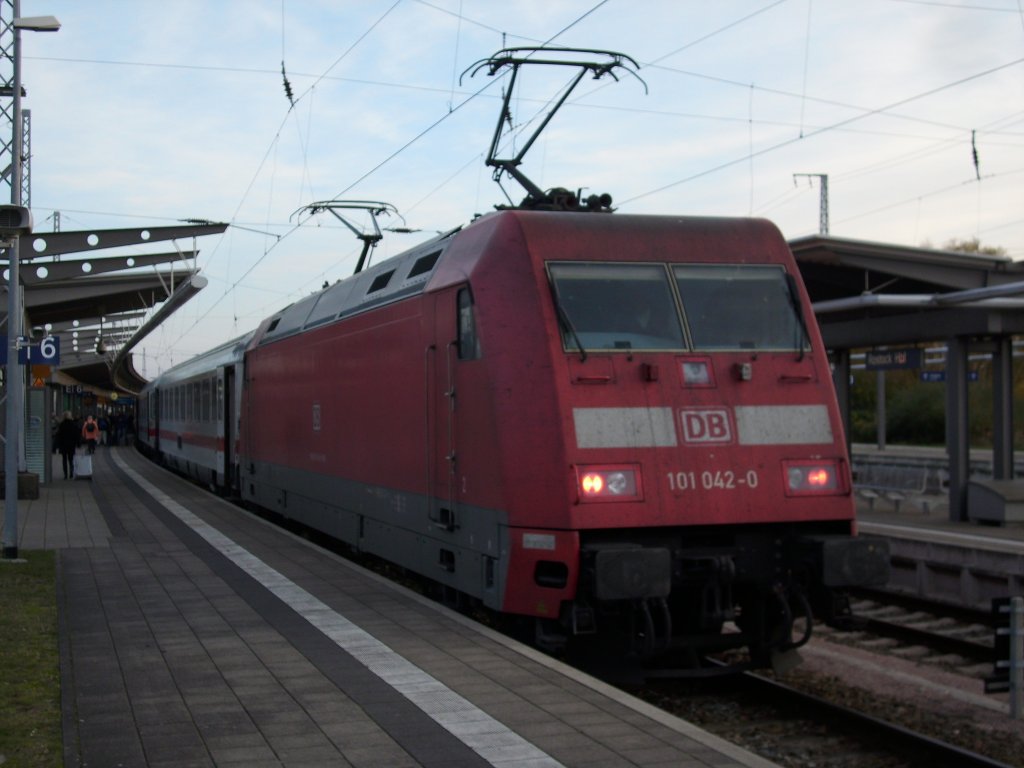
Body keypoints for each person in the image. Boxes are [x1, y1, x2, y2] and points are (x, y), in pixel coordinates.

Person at [56, 411, 79, 479]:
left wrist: (58, 445)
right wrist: (78, 443)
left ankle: (65, 474)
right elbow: (76, 435)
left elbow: (59, 435)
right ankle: (71, 473)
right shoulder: (73, 424)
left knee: (64, 459)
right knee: (71, 459)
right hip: (71, 445)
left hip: (63, 445)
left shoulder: (62, 425)